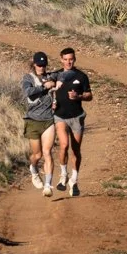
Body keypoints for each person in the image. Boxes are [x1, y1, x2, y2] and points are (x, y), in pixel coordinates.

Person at [48, 47, 92, 197]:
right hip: (60, 116)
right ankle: (63, 175)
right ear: (61, 59)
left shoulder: (81, 76)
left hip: (77, 117)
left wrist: (78, 96)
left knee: (76, 150)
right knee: (64, 145)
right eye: (65, 59)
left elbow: (89, 95)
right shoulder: (57, 76)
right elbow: (48, 89)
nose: (68, 62)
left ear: (75, 59)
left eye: (71, 59)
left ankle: (74, 180)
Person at [20, 51, 55, 191]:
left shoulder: (51, 77)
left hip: (48, 120)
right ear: (34, 64)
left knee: (47, 152)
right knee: (37, 154)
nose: (42, 67)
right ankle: (33, 169)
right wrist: (44, 87)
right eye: (39, 65)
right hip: (33, 120)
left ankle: (48, 185)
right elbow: (28, 92)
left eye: (44, 65)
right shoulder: (28, 77)